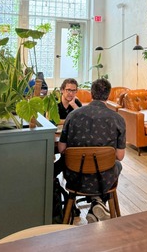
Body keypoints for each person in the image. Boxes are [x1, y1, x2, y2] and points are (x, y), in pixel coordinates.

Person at [58, 78, 125, 223]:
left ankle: (96, 204)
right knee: (117, 165)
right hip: (103, 179)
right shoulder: (117, 119)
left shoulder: (73, 115)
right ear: (108, 95)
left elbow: (61, 148)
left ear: (90, 94)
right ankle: (97, 203)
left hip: (75, 178)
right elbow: (120, 156)